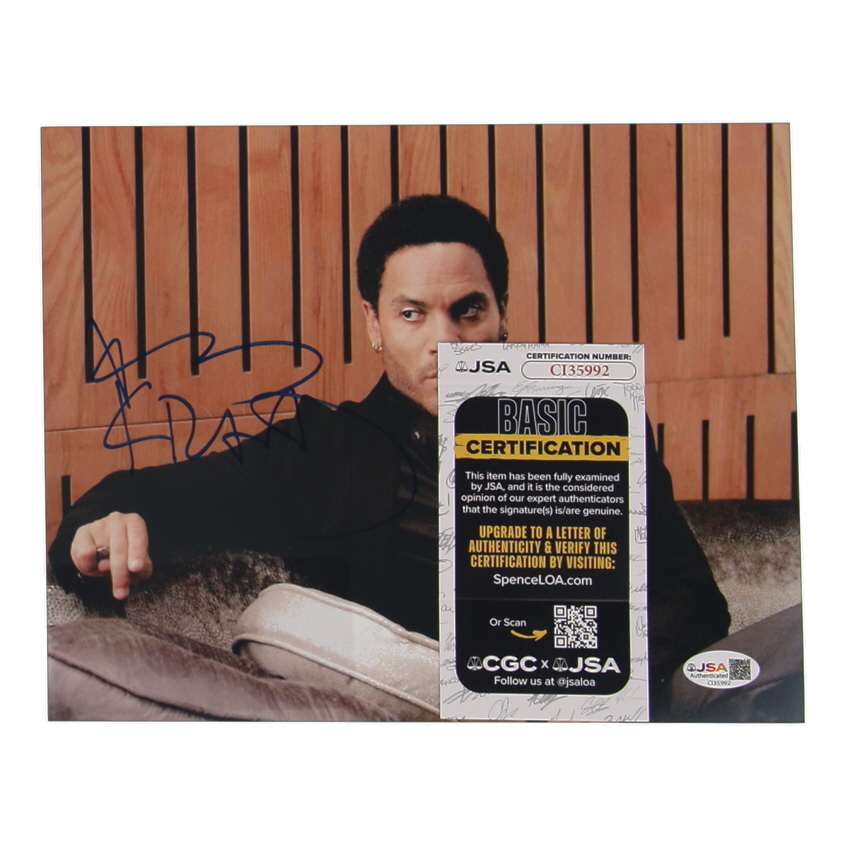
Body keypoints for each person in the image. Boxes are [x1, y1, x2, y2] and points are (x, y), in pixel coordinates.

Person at [48, 194, 730, 717]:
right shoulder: (321, 452)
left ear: (502, 313)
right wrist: (100, 527)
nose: (445, 340)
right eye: (412, 314)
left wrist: (598, 694)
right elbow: (140, 496)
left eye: (468, 311)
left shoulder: (594, 422)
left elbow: (692, 598)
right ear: (374, 324)